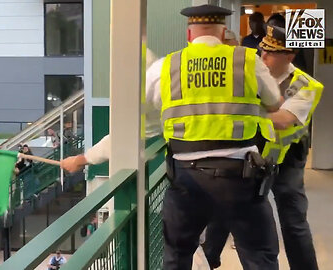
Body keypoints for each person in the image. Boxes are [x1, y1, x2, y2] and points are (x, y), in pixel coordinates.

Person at [63, 4, 284, 269]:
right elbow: (274, 103)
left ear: (189, 35)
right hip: (241, 177)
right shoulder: (248, 60)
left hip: (187, 180)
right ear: (223, 32)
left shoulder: (165, 68)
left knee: (177, 258)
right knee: (259, 256)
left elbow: (132, 126)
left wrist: (84, 158)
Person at [203, 23, 324, 270]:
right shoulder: (252, 73)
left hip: (286, 162)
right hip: (250, 155)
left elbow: (283, 120)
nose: (263, 56)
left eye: (270, 53)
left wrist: (242, 110)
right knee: (224, 207)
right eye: (262, 51)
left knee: (293, 221)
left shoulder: (306, 85)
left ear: (289, 56)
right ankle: (206, 262)